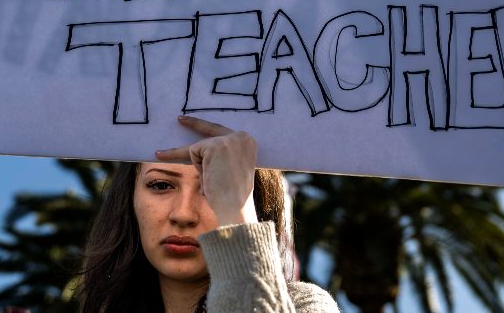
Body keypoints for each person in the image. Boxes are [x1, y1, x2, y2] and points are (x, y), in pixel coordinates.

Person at [77, 115, 340, 313]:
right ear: (129, 199)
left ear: (254, 205)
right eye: (161, 185)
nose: (183, 214)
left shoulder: (303, 305)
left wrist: (235, 212)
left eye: (213, 188)